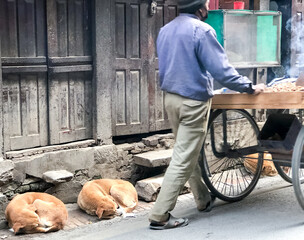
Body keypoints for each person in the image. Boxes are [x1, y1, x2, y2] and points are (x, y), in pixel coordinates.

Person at [148, 0, 265, 230]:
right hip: (193, 101)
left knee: (185, 150)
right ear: (201, 9)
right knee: (183, 157)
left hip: (170, 98)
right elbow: (220, 70)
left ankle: (202, 199)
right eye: (207, 6)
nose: (208, 10)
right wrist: (248, 86)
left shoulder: (165, 30)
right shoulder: (202, 30)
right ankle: (159, 215)